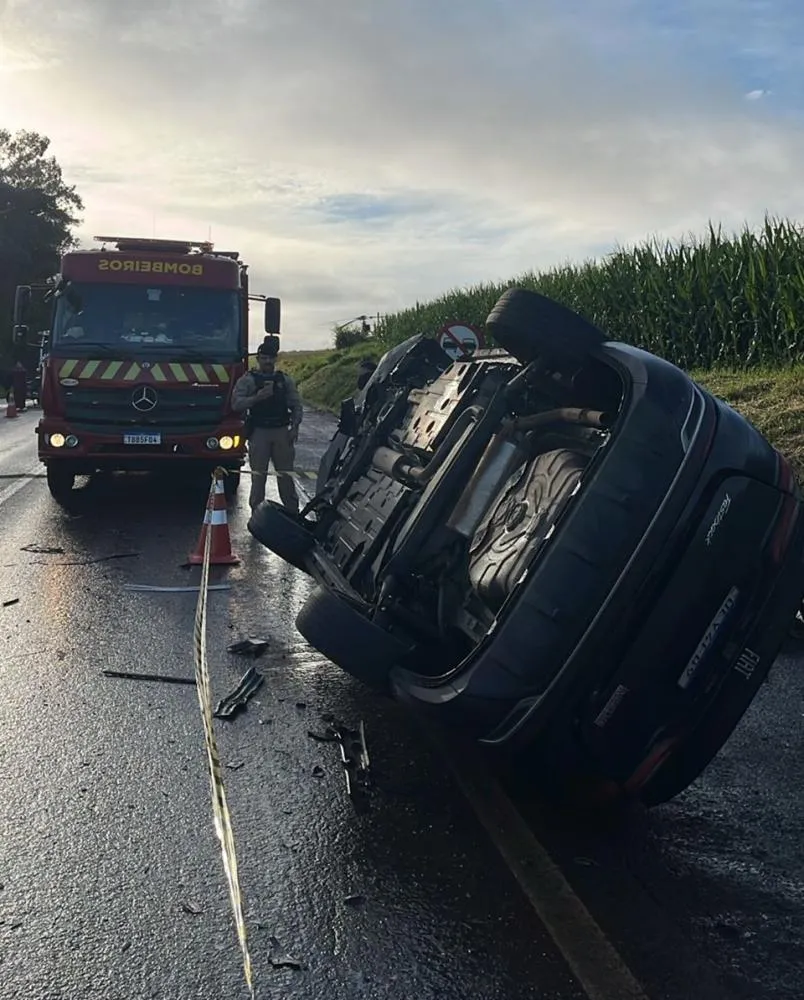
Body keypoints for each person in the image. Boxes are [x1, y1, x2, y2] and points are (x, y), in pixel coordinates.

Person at [232, 339, 303, 513]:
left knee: (286, 476)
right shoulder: (248, 380)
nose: (267, 362)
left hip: (281, 432)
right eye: (264, 358)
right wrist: (257, 398)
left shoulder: (284, 380)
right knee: (258, 477)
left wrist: (295, 427)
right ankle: (257, 512)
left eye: (270, 358)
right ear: (258, 358)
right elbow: (236, 404)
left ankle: (292, 512)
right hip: (259, 432)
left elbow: (296, 405)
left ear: (275, 359)